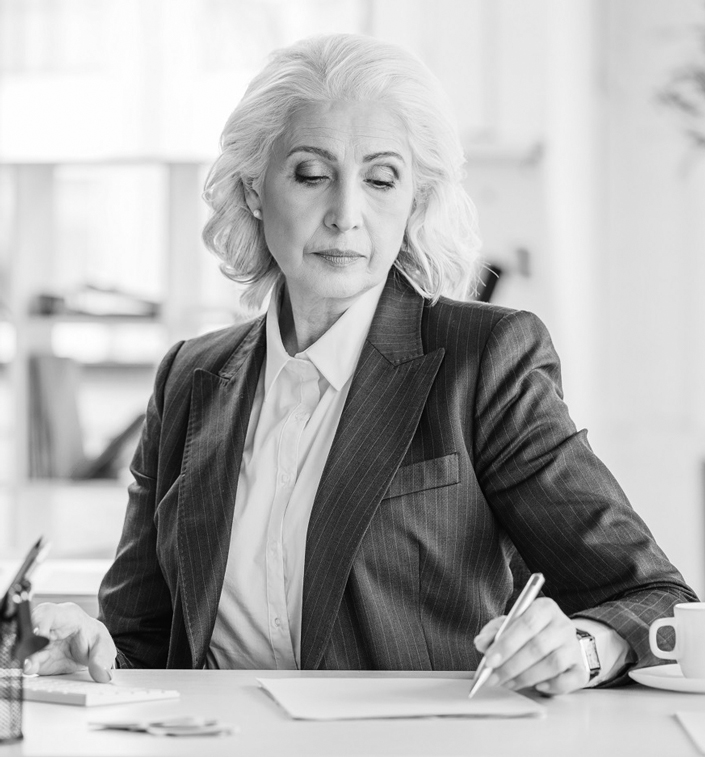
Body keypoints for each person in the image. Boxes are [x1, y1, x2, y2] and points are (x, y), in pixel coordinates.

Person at [28, 33, 697, 695]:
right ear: (255, 190)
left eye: (380, 180)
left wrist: (580, 648)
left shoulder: (485, 359)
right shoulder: (188, 376)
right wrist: (88, 650)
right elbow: (141, 642)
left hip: (419, 741)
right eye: (311, 175)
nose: (345, 214)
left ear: (414, 201)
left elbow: (653, 596)